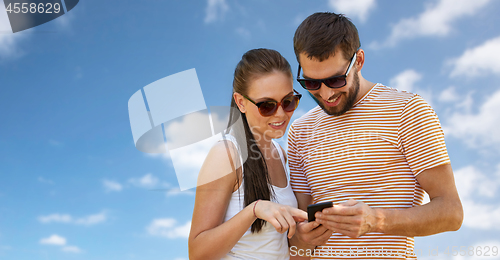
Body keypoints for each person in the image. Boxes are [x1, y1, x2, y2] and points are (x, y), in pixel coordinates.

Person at [288, 12, 464, 259]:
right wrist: (299, 238)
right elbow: (298, 237)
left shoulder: (407, 109)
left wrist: (377, 220)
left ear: (358, 60)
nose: (326, 94)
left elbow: (451, 212)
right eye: (312, 83)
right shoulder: (300, 131)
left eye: (336, 79)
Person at [188, 48, 308, 260]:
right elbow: (198, 253)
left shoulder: (281, 154)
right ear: (241, 102)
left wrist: (309, 238)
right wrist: (254, 210)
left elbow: (282, 251)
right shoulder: (226, 155)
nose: (281, 114)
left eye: (289, 101)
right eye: (267, 105)